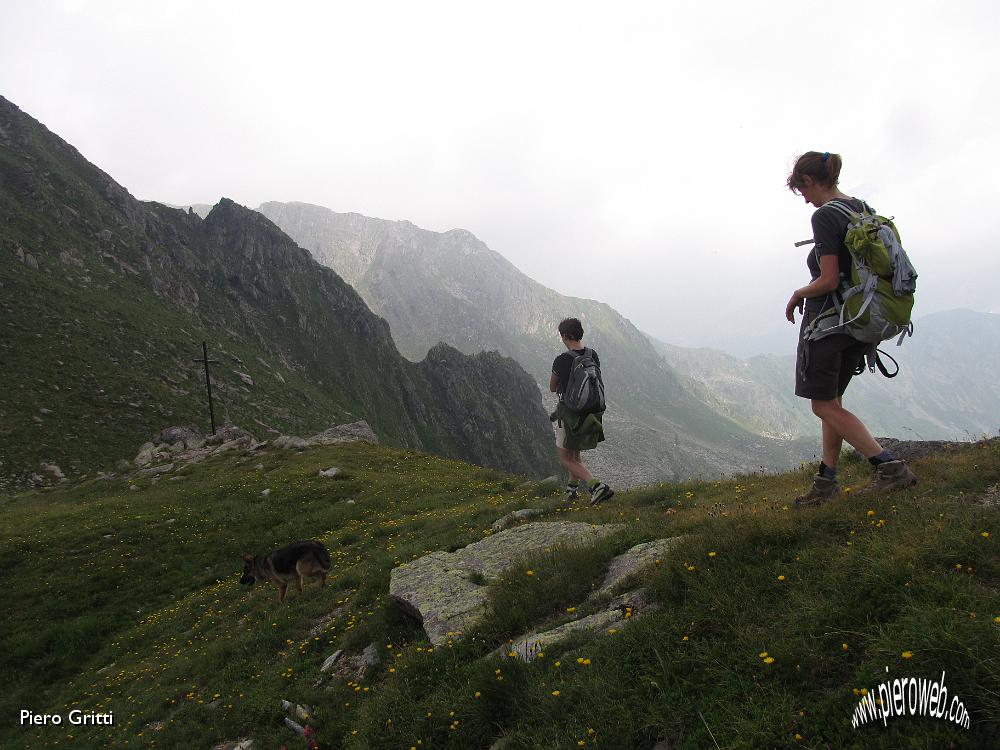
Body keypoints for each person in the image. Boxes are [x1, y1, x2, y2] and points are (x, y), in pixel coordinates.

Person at [785, 151, 917, 505]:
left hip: (830, 323)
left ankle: (888, 467)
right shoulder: (860, 207)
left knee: (823, 405)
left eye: (802, 190)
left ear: (810, 181)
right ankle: (825, 483)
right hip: (859, 321)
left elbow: (828, 280)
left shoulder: (826, 216)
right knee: (833, 401)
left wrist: (799, 292)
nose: (805, 199)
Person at [549, 317, 614, 505]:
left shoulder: (562, 360)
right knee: (575, 455)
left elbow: (553, 387)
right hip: (590, 413)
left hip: (570, 414)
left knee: (565, 459)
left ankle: (596, 486)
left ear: (565, 336)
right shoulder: (592, 355)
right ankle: (572, 491)